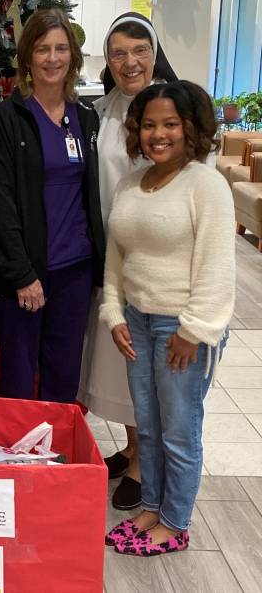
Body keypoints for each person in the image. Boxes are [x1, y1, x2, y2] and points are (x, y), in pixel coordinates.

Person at [102, 81, 233, 556]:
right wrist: (113, 311)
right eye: (150, 124)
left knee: (179, 430)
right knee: (149, 426)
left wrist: (193, 331)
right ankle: (151, 508)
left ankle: (175, 523)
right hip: (136, 322)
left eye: (171, 124)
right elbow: (116, 257)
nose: (159, 134)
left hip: (182, 329)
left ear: (191, 128)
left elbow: (218, 269)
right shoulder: (132, 182)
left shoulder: (206, 184)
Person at [77, 12, 178, 510]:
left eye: (139, 50)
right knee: (115, 364)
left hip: (152, 262)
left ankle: (143, 463)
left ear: (154, 53)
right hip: (108, 258)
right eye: (118, 52)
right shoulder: (103, 109)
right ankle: (133, 445)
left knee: (143, 365)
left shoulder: (170, 106)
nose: (129, 61)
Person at [0, 8, 105, 403]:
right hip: (25, 273)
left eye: (60, 48)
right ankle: (20, 462)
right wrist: (22, 274)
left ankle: (55, 460)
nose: (52, 58)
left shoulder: (85, 118)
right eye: (42, 49)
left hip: (74, 270)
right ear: (27, 58)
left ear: (72, 54)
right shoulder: (8, 118)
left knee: (64, 375)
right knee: (20, 379)